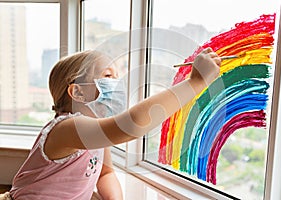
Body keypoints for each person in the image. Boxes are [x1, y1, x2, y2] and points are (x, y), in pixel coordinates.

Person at [4, 47, 220, 200]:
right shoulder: (68, 127)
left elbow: (105, 173)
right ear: (77, 91)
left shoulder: (95, 132)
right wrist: (196, 82)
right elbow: (132, 126)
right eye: (108, 75)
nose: (117, 83)